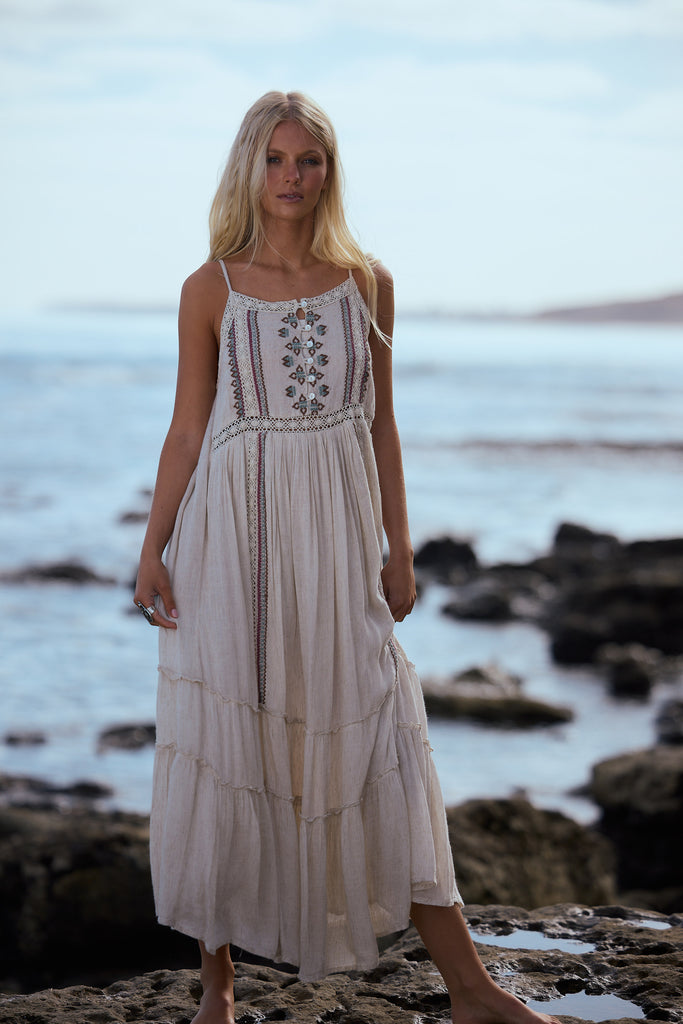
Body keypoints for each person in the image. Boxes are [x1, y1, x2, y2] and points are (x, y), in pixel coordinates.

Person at [134, 91, 558, 1024]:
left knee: (379, 733)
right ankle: (219, 990)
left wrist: (396, 550)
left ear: (329, 170)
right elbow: (187, 427)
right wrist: (152, 548)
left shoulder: (366, 283)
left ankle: (472, 991)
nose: (293, 178)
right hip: (232, 540)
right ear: (250, 167)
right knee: (231, 735)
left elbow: (384, 430)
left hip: (334, 542)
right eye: (277, 160)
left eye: (310, 161)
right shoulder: (210, 287)